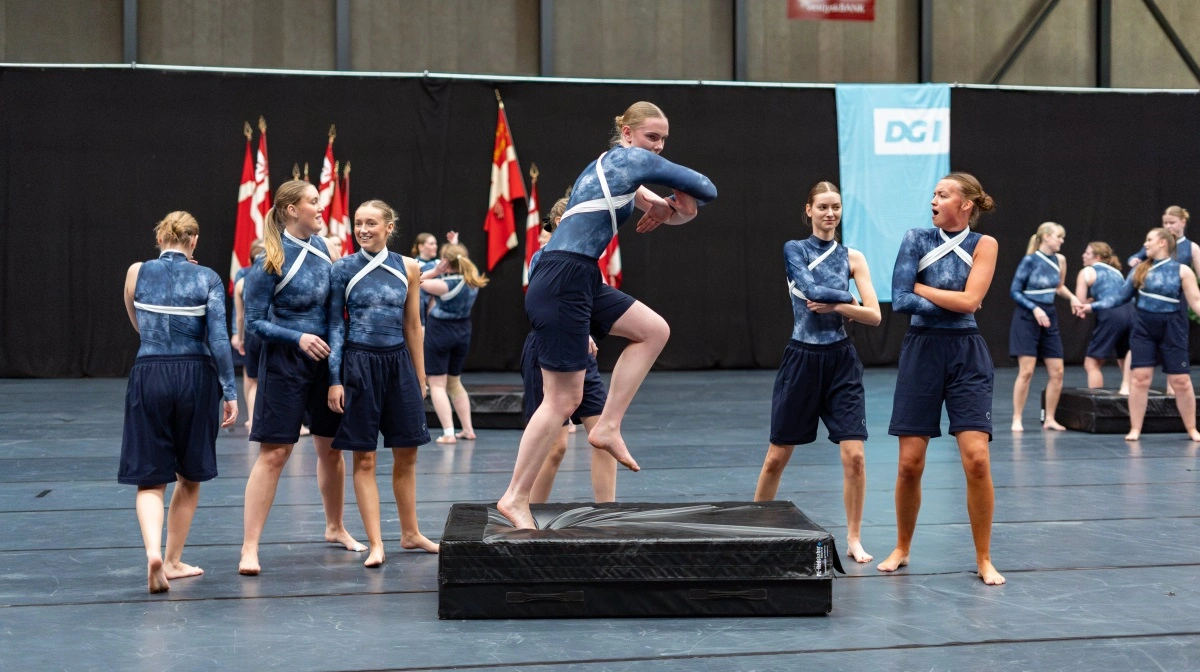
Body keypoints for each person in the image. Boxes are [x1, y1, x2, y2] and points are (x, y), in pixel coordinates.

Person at [497, 101, 718, 529]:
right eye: (652, 137)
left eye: (664, 139)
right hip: (564, 275)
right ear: (627, 133)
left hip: (580, 276)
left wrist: (674, 208)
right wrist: (684, 201)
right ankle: (514, 497)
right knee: (562, 400)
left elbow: (670, 213)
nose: (658, 146)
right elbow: (706, 188)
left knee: (653, 331)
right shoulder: (630, 160)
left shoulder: (620, 169)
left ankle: (608, 426)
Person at [878, 172, 1004, 586]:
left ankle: (984, 558)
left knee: (977, 460)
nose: (934, 200)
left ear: (965, 204)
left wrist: (924, 288)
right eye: (933, 193)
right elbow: (901, 301)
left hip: (966, 353)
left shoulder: (984, 244)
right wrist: (957, 301)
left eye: (943, 195)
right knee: (909, 464)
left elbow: (970, 301)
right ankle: (902, 547)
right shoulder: (916, 238)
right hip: (922, 351)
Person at [239, 180, 364, 576]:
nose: (320, 206)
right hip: (284, 365)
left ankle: (335, 527)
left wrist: (335, 376)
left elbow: (335, 320)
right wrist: (298, 338)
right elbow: (253, 323)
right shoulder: (269, 260)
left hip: (325, 363)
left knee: (331, 450)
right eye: (313, 201)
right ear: (291, 209)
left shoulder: (326, 250)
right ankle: (249, 547)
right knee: (275, 454)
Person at [752, 181, 880, 563]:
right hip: (802, 359)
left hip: (841, 361)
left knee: (855, 457)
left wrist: (839, 306)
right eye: (822, 207)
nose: (830, 213)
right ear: (808, 210)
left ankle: (854, 538)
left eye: (835, 207)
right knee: (776, 457)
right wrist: (846, 297)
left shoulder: (853, 258)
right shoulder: (795, 249)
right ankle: (755, 529)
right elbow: (810, 290)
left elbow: (873, 315)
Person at [120, 211, 238, 593]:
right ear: (194, 241)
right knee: (189, 477)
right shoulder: (208, 278)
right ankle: (172, 560)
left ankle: (152, 553)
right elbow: (218, 339)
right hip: (195, 375)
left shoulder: (136, 272)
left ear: (160, 238)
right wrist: (230, 391)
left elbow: (139, 323)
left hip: (150, 370)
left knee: (150, 480)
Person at [327, 199, 437, 565]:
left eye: (371, 223)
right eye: (358, 222)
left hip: (398, 364)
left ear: (389, 227)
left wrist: (420, 377)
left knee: (407, 451)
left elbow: (413, 326)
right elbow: (335, 325)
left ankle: (410, 533)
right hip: (359, 365)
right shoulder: (342, 268)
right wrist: (335, 378)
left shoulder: (409, 267)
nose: (362, 229)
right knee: (365, 457)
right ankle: (376, 543)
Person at [525, 195, 619, 504]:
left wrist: (586, 331)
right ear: (561, 224)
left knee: (604, 436)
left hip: (580, 352)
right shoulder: (543, 258)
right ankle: (529, 512)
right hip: (549, 349)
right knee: (555, 447)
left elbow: (589, 304)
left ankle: (607, 512)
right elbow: (544, 309)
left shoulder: (587, 259)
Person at [1074, 228, 1200, 441]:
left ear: (1162, 243)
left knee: (1181, 380)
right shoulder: (1140, 269)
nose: (1145, 244)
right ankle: (1135, 428)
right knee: (1140, 379)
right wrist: (1092, 307)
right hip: (1144, 329)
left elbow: (1196, 301)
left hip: (1173, 329)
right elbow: (1119, 297)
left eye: (1149, 240)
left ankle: (1192, 429)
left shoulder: (1182, 270)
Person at [1008, 222, 1082, 431]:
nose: (1062, 241)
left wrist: (1073, 298)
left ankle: (1049, 418)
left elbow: (1059, 286)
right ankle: (1017, 417)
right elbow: (1014, 291)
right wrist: (1034, 308)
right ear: (1047, 237)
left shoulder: (1060, 260)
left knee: (1057, 372)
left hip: (1049, 315)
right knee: (1026, 371)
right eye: (1059, 236)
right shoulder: (1030, 261)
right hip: (1028, 315)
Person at [419, 243, 486, 444]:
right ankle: (468, 429)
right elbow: (461, 260)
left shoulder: (444, 285)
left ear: (445, 263)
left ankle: (449, 433)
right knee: (454, 382)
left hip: (440, 332)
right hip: (463, 331)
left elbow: (417, 279)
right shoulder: (473, 279)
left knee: (437, 384)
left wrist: (436, 271)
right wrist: (455, 247)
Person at [1128, 207, 1196, 397]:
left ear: (1183, 222)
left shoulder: (1191, 247)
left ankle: (1172, 385)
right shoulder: (1155, 244)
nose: (1168, 226)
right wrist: (1134, 260)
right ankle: (1126, 384)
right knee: (1138, 349)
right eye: (1165, 223)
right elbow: (1137, 257)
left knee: (1175, 345)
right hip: (1150, 304)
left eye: (1172, 222)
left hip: (1177, 301)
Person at [1074, 242, 1133, 393]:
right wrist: (1094, 300)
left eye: (1087, 253)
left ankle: (1097, 402)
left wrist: (1087, 302)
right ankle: (1130, 394)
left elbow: (1080, 303)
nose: (1083, 255)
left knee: (1092, 363)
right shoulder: (1117, 272)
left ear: (1098, 257)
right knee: (1124, 358)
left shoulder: (1087, 271)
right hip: (1131, 313)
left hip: (1111, 314)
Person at [233, 239, 266, 430]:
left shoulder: (242, 282)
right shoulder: (274, 279)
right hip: (271, 332)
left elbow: (240, 317)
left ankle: (253, 421)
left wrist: (240, 339)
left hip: (252, 334)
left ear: (250, 259)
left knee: (252, 381)